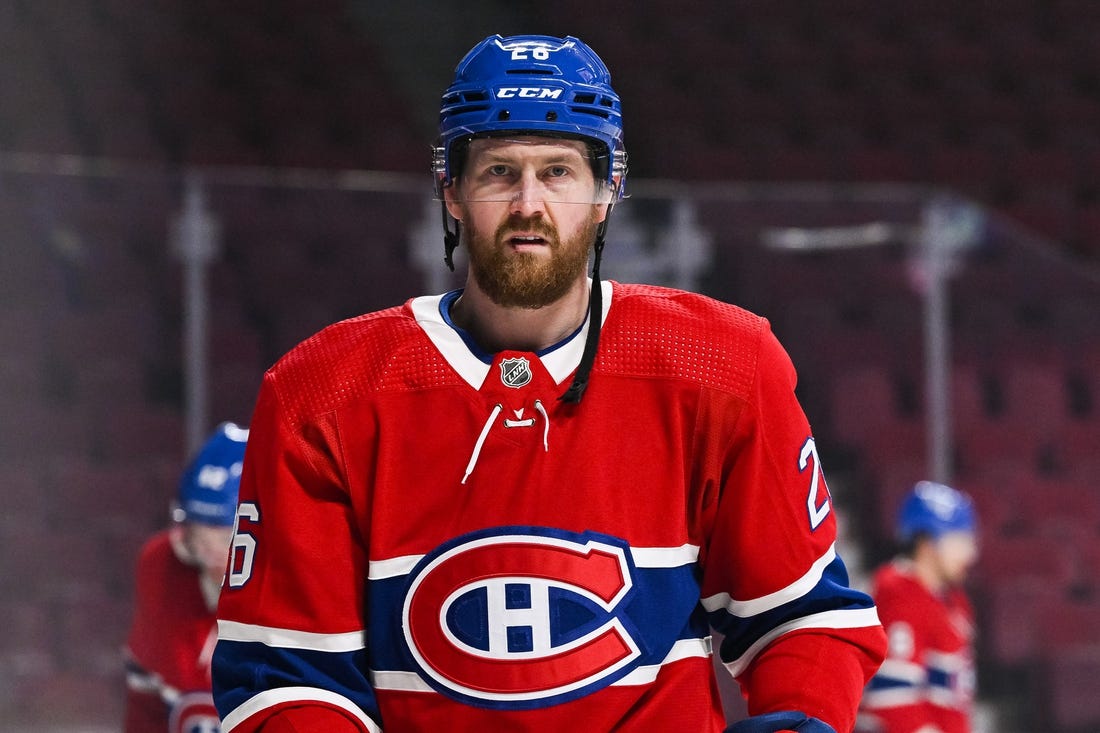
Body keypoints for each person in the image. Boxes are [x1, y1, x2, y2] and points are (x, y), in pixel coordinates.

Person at [213, 34, 886, 733]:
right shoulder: (320, 396)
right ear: (451, 189)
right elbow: (285, 679)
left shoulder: (723, 366)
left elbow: (804, 618)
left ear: (606, 192)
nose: (528, 203)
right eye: (500, 171)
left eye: (558, 172)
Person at [125, 422, 249, 733]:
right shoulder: (162, 566)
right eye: (198, 538)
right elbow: (147, 703)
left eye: (225, 538)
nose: (209, 556)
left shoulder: (309, 580)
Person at [857, 481, 979, 733]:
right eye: (958, 540)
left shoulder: (954, 598)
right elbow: (893, 700)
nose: (970, 553)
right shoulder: (898, 592)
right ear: (926, 543)